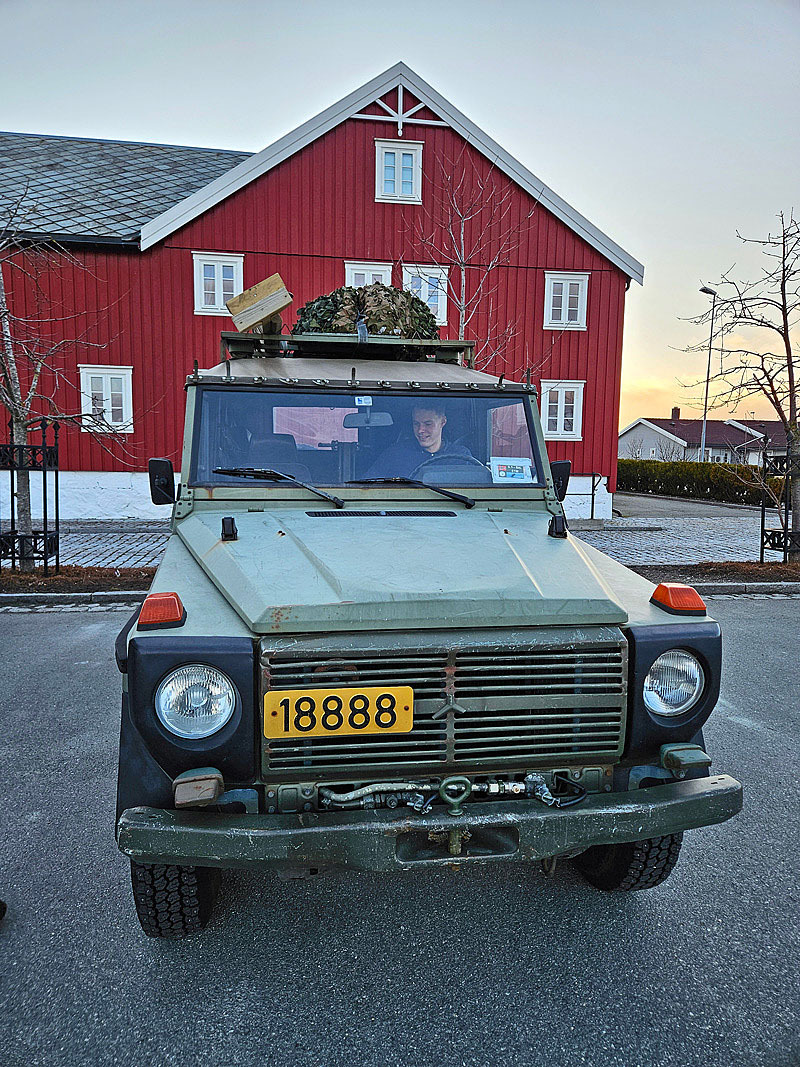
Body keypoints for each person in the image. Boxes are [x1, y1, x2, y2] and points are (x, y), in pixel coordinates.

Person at [365, 403, 474, 479]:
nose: (421, 430)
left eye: (428, 424)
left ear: (443, 422)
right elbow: (367, 485)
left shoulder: (461, 456)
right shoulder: (395, 454)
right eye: (416, 424)